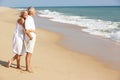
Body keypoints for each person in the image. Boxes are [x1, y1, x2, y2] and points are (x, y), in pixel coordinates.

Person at [25, 7, 36, 72]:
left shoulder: (30, 18)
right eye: (34, 11)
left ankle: (28, 65)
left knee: (30, 52)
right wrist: (31, 37)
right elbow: (26, 30)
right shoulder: (28, 18)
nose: (35, 12)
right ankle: (27, 68)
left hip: (31, 37)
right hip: (30, 38)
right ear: (31, 11)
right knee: (29, 53)